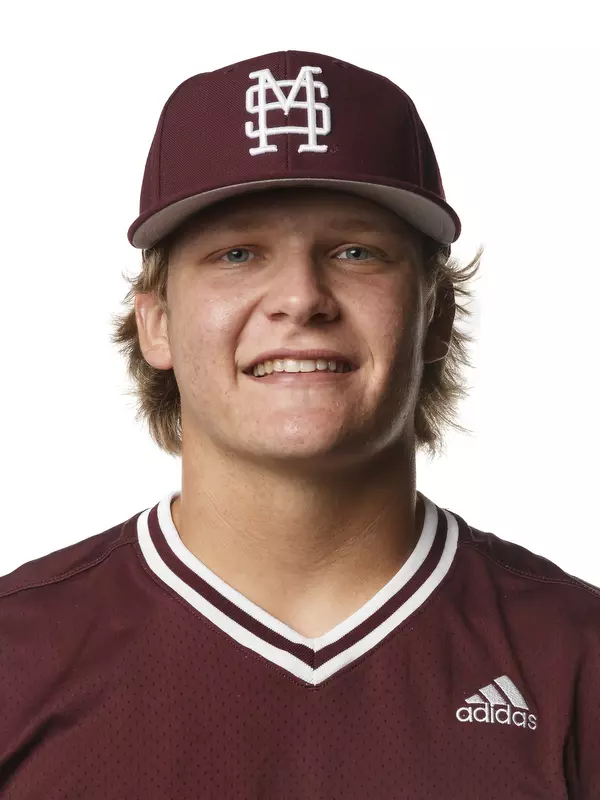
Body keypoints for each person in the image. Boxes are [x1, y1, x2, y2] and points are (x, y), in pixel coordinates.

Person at [0, 49, 598, 799]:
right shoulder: (17, 658)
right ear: (156, 324)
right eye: (237, 254)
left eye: (356, 252)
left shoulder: (577, 657)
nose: (302, 298)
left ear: (435, 315)